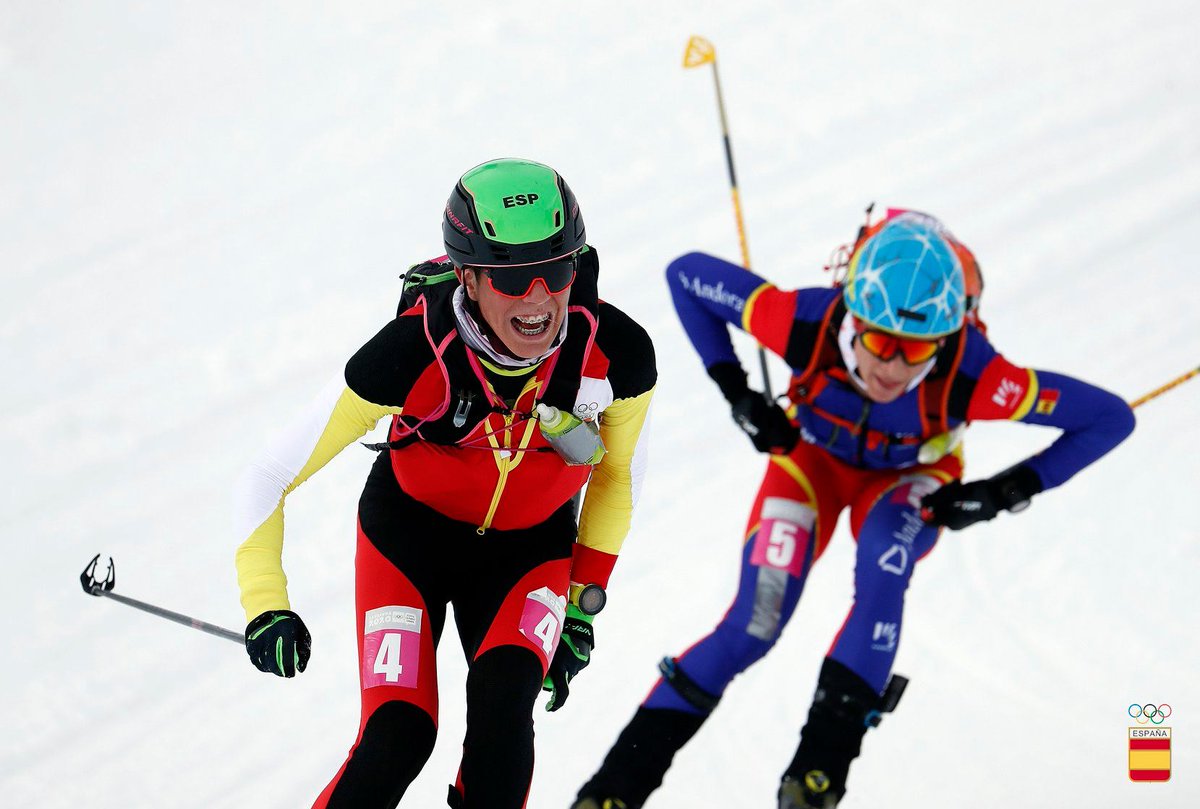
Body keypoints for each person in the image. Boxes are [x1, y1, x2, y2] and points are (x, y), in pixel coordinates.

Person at [572, 209, 1134, 809]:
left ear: (946, 338)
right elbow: (687, 276)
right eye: (878, 342)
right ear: (854, 319)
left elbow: (1108, 418)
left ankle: (816, 779)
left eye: (917, 349)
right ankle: (612, 794)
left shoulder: (979, 374)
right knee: (754, 624)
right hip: (809, 465)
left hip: (908, 483)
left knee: (882, 571)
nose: (892, 367)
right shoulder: (805, 321)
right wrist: (738, 392)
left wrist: (1003, 492)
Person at [233, 158, 657, 809]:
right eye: (514, 277)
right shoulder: (410, 352)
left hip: (528, 552)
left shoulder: (617, 355)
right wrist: (267, 603)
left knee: (503, 712)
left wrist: (582, 599)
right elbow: (270, 471)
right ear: (468, 275)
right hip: (409, 541)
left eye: (559, 268)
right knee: (398, 735)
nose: (540, 298)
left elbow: (615, 477)